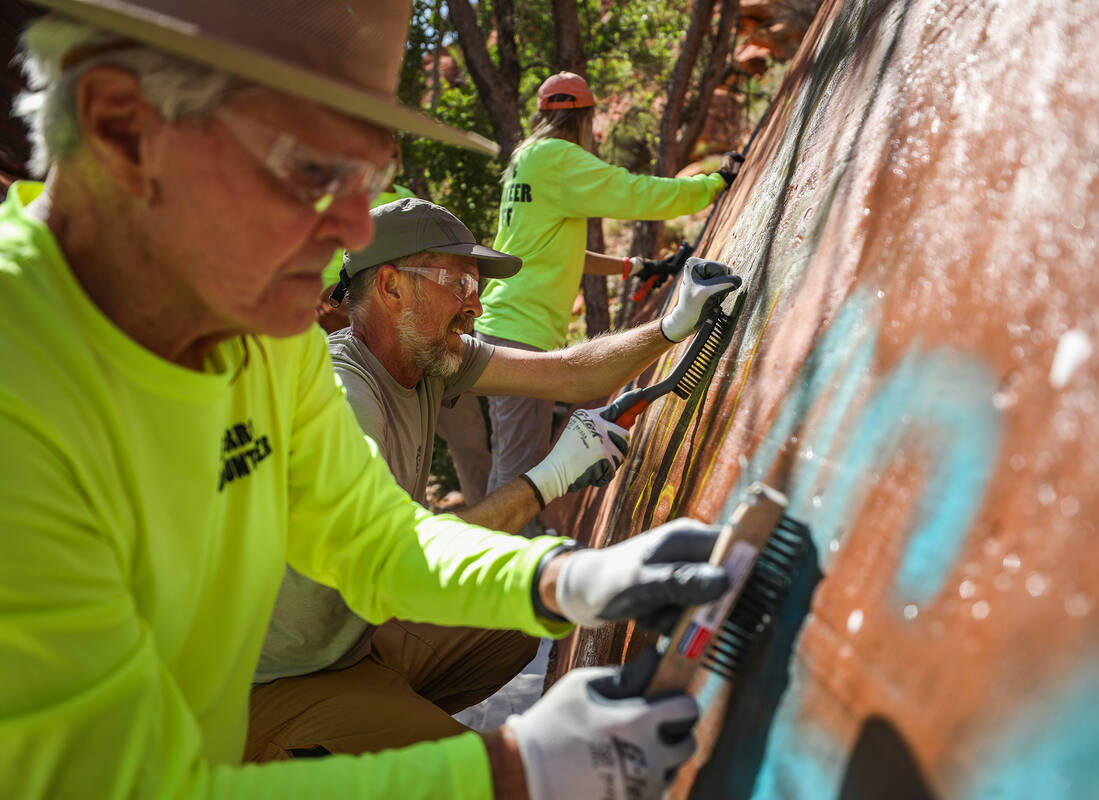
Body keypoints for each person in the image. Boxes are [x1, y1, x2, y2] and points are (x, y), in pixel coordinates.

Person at [0, 4, 731, 799]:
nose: (353, 225)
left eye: (368, 176)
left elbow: (371, 535)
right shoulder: (24, 383)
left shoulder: (261, 327)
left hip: (307, 668)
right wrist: (510, 770)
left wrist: (561, 578)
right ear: (124, 130)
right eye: (317, 170)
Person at [249, 197, 742, 760]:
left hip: (352, 640)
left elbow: (568, 374)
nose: (475, 307)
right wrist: (550, 481)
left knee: (519, 621)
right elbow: (401, 556)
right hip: (273, 683)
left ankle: (377, 726)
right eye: (459, 284)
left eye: (476, 287)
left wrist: (672, 326)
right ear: (390, 288)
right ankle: (328, 753)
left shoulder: (428, 355)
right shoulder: (342, 394)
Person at [476, 70, 740, 511]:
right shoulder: (559, 157)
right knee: (519, 469)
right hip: (521, 331)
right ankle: (502, 564)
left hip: (504, 322)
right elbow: (633, 193)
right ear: (585, 117)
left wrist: (631, 267)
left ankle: (500, 554)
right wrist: (711, 186)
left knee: (510, 458)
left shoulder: (527, 158)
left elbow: (547, 250)